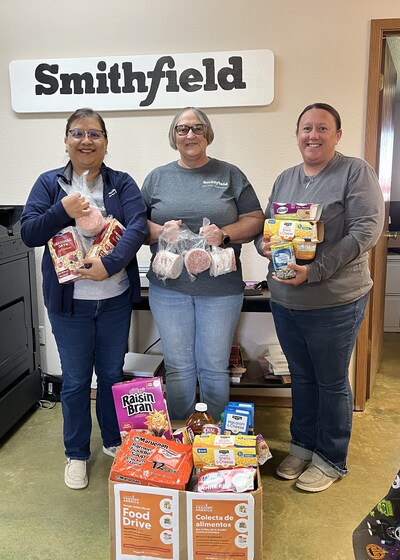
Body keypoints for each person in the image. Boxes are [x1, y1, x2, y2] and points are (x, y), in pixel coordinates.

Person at [256, 102, 384, 493]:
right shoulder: (286, 178)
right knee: (302, 379)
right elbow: (270, 225)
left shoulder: (355, 172)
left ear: (338, 135)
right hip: (285, 300)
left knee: (330, 381)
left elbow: (366, 230)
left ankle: (331, 459)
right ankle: (302, 445)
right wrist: (266, 246)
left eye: (323, 128)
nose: (313, 136)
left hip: (335, 301)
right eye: (306, 128)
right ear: (297, 135)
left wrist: (316, 271)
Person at [21, 108, 147, 490]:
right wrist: (63, 209)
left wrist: (109, 265)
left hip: (114, 299)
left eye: (94, 134)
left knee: (111, 375)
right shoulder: (49, 184)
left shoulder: (121, 183)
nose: (86, 140)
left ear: (106, 142)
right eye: (78, 133)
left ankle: (112, 439)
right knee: (75, 381)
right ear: (66, 140)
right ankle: (76, 453)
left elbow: (138, 226)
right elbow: (28, 232)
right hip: (69, 304)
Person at [142, 107, 264, 423]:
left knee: (213, 365)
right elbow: (135, 226)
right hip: (169, 290)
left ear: (207, 134)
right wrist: (159, 231)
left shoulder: (230, 174)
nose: (190, 135)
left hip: (221, 290)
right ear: (174, 136)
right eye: (182, 129)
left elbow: (255, 220)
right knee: (179, 365)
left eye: (197, 128)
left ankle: (217, 441)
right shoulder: (157, 177)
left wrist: (224, 233)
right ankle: (182, 433)